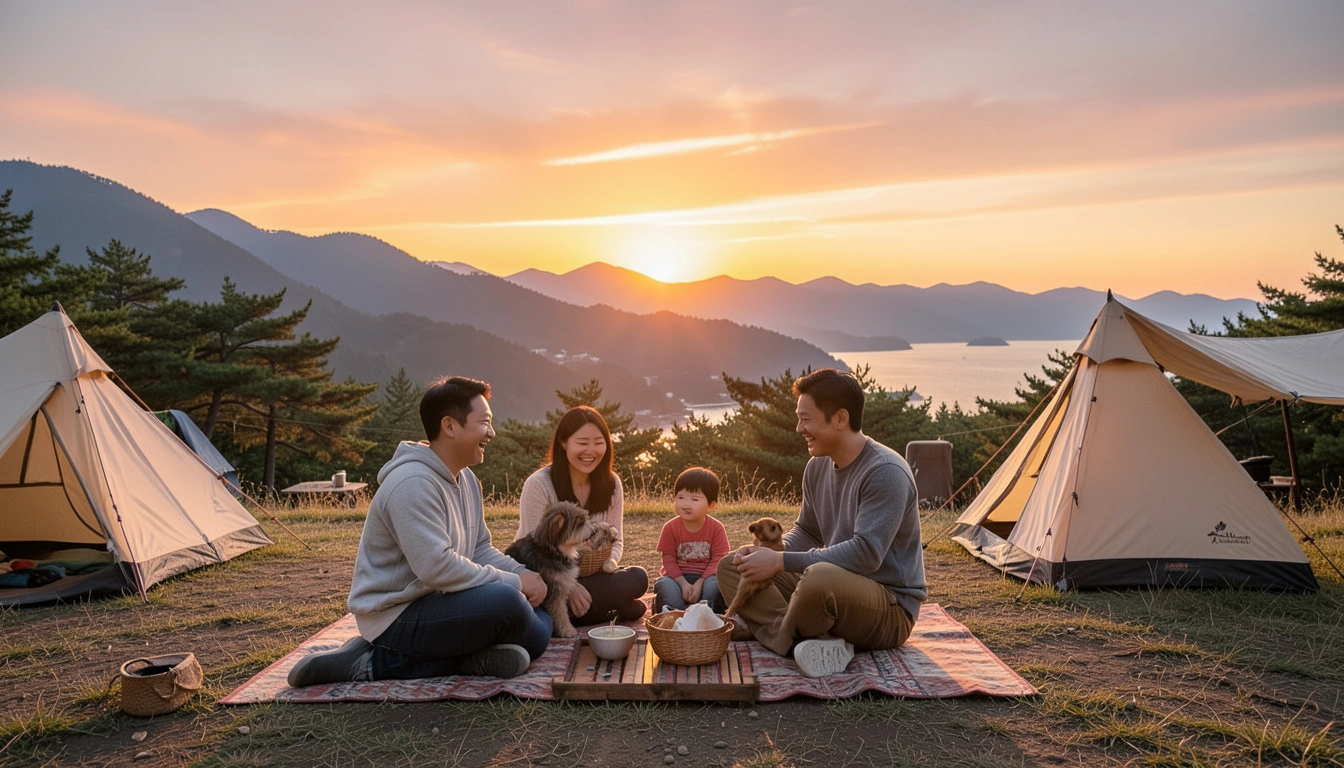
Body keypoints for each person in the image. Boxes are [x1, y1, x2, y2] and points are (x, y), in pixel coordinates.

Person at [288, 376, 551, 687]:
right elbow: (436, 568)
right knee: (513, 606)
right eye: (485, 423)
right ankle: (372, 661)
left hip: (442, 602)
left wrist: (526, 574)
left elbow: (479, 548)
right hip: (396, 614)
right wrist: (515, 582)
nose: (491, 433)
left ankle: (465, 660)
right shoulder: (412, 483)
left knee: (537, 602)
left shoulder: (466, 480)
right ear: (450, 426)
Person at [716, 368, 926, 678]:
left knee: (817, 579)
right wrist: (771, 554)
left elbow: (867, 554)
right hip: (835, 589)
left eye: (806, 419)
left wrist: (780, 561)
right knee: (734, 567)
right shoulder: (816, 467)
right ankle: (801, 638)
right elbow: (809, 531)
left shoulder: (885, 472)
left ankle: (779, 634)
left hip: (889, 607)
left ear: (840, 419)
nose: (799, 428)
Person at [516, 406, 648, 624]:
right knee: (632, 607)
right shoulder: (539, 485)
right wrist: (572, 587)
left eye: (598, 442)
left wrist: (610, 565)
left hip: (595, 575)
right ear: (563, 443)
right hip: (549, 579)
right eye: (583, 443)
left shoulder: (611, 483)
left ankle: (588, 610)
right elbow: (532, 552)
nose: (591, 451)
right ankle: (608, 608)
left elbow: (617, 541)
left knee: (638, 578)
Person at [653, 467, 731, 612]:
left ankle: (705, 614)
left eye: (694, 499)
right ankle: (672, 614)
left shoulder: (716, 528)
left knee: (715, 584)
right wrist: (683, 584)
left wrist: (700, 583)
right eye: (681, 497)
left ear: (711, 505)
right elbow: (668, 560)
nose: (686, 504)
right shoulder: (670, 527)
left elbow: (718, 560)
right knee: (664, 584)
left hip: (706, 578)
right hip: (676, 578)